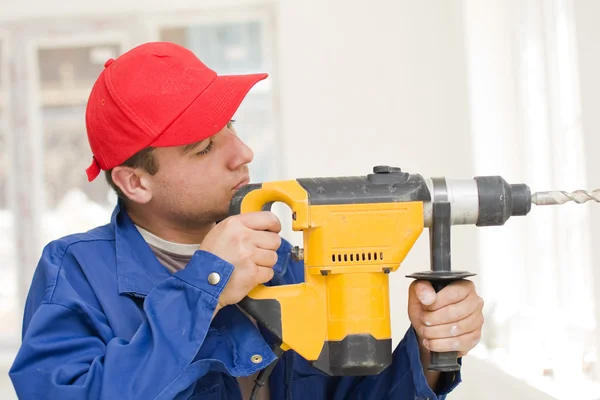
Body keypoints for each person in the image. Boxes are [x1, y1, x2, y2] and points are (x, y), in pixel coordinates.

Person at [9, 42, 484, 400]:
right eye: (205, 148)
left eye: (231, 127)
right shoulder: (74, 273)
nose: (243, 154)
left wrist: (427, 353)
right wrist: (204, 287)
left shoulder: (287, 263)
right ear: (135, 183)